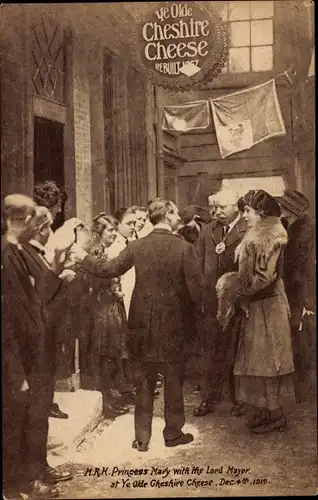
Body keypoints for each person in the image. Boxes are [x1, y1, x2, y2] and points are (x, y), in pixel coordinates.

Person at [70, 199, 203, 451]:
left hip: (141, 324)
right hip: (174, 325)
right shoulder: (184, 248)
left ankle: (141, 438)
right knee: (174, 380)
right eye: (175, 213)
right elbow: (196, 293)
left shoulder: (138, 246)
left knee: (144, 381)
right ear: (169, 214)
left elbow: (108, 268)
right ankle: (173, 434)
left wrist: (84, 258)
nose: (178, 218)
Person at [2, 195, 61, 498]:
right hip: (17, 357)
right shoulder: (8, 255)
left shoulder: (15, 252)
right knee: (14, 422)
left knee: (22, 418)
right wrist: (15, 371)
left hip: (29, 353)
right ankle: (15, 486)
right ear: (25, 221)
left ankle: (23, 481)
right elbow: (8, 319)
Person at [222, 189, 295, 433]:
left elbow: (265, 277)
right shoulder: (257, 234)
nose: (244, 216)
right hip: (259, 305)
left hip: (268, 306)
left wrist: (240, 293)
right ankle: (266, 410)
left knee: (269, 363)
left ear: (261, 213)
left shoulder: (269, 236)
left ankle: (276, 414)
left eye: (248, 211)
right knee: (259, 363)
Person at [194, 188, 247, 417]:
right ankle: (208, 399)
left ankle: (240, 400)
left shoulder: (247, 230)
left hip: (237, 302)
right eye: (214, 208)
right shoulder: (208, 230)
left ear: (236, 207)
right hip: (211, 302)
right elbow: (198, 261)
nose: (217, 212)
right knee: (210, 352)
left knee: (237, 351)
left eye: (222, 207)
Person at [78, 214, 130, 418]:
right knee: (104, 354)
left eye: (115, 230)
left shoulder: (102, 251)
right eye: (110, 230)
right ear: (99, 232)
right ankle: (106, 401)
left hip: (108, 309)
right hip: (100, 311)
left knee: (110, 353)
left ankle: (110, 398)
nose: (114, 234)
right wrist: (113, 290)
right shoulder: (96, 252)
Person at [275, 189, 315, 400]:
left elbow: (305, 269)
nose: (280, 208)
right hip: (291, 291)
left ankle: (301, 390)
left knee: (300, 340)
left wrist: (307, 301)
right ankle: (297, 388)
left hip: (299, 293)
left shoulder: (303, 230)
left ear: (291, 209)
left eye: (283, 205)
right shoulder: (290, 226)